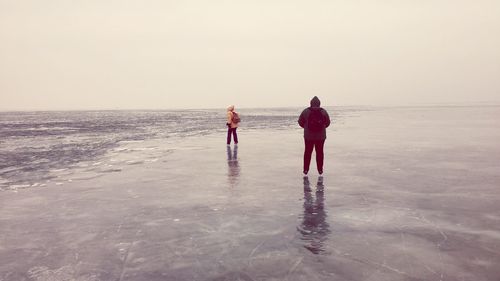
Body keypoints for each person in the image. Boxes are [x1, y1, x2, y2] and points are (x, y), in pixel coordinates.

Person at [298, 96, 330, 177]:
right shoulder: (323, 111)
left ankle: (306, 169)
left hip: (308, 136)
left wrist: (306, 128)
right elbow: (328, 123)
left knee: (308, 152)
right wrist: (321, 128)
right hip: (321, 137)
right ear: (319, 103)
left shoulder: (305, 111)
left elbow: (300, 122)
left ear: (311, 103)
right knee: (319, 152)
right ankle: (320, 169)